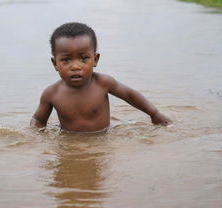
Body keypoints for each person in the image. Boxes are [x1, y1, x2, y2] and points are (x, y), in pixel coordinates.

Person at [30, 22, 171, 132]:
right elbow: (38, 120)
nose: (75, 66)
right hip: (69, 141)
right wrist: (35, 140)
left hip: (102, 139)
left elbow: (130, 95)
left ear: (95, 59)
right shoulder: (51, 94)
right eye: (66, 60)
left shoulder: (103, 83)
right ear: (55, 63)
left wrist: (154, 113)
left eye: (84, 58)